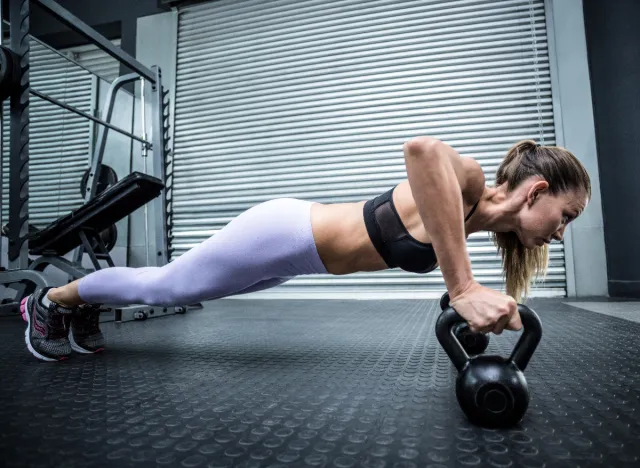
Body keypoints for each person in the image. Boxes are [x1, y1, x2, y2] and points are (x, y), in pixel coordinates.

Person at [21, 137, 591, 362]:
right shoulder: (464, 180)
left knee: (183, 287)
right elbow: (421, 150)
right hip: (284, 232)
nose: (561, 231)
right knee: (167, 285)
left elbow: (447, 250)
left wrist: (468, 294)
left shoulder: (469, 221)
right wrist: (462, 288)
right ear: (537, 190)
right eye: (565, 215)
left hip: (296, 259)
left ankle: (80, 304)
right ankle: (52, 301)